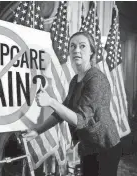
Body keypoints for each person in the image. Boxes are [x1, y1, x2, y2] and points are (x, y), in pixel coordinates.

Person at [23, 32, 121, 176]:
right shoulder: (75, 80)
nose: (76, 50)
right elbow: (61, 112)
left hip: (105, 148)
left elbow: (80, 120)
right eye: (72, 46)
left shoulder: (96, 79)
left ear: (92, 52)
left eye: (82, 46)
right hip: (88, 147)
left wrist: (51, 101)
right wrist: (38, 130)